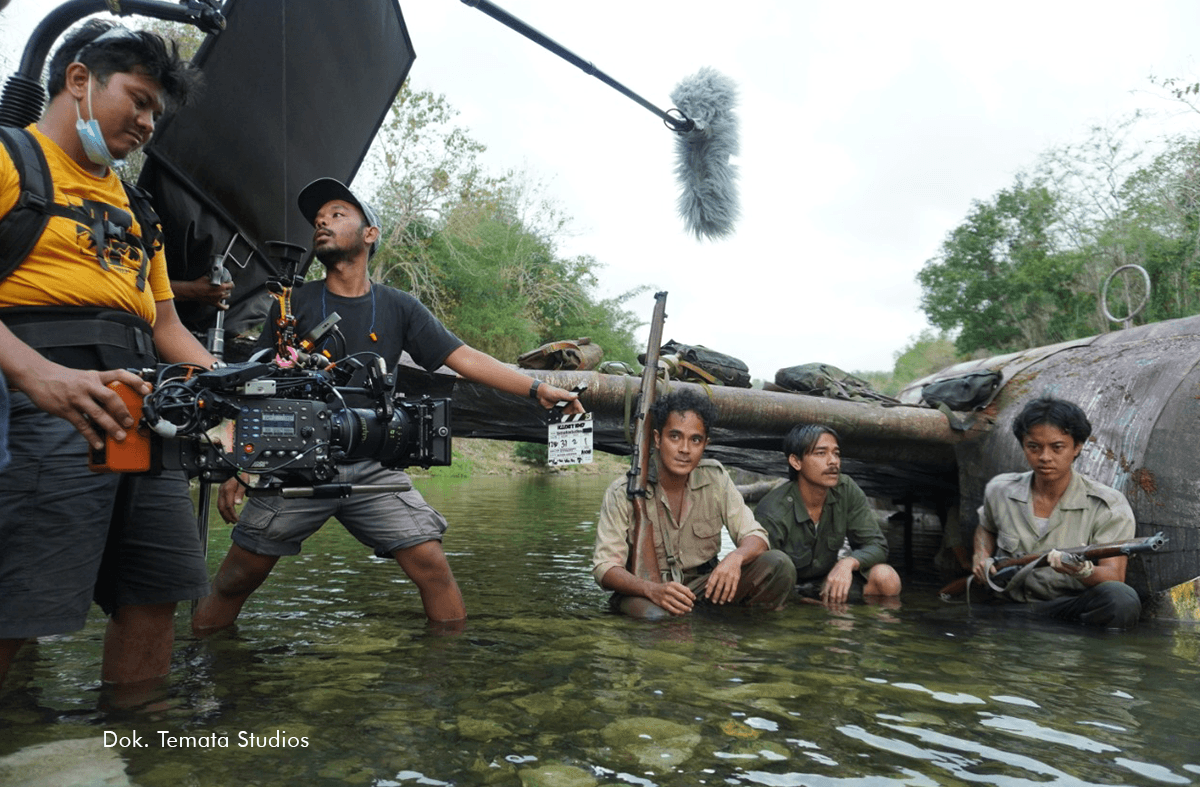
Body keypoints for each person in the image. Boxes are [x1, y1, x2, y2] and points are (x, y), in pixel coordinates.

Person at [192, 177, 583, 634]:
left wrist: (537, 389)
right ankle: (200, 669)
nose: (323, 222)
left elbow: (466, 358)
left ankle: (446, 678)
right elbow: (260, 381)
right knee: (238, 578)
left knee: (432, 566)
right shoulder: (292, 301)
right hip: (293, 462)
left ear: (370, 233)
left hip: (373, 463)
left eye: (337, 215)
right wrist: (243, 463)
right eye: (319, 219)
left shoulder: (401, 307)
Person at [0, 21, 216, 690]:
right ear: (78, 81)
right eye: (140, 98)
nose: (149, 122)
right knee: (18, 602)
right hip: (39, 403)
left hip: (137, 412)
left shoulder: (136, 205)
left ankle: (141, 742)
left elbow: (169, 327)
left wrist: (242, 395)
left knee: (155, 590)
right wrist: (38, 375)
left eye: (158, 109)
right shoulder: (11, 160)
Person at [592, 388, 796, 619]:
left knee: (778, 565)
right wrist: (652, 589)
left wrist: (735, 558)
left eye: (695, 440)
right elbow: (605, 568)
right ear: (658, 439)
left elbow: (756, 536)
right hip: (645, 592)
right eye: (675, 437)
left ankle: (741, 636)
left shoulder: (716, 478)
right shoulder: (622, 492)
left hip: (704, 585)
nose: (685, 449)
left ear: (705, 444)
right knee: (656, 617)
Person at [971, 396, 1141, 628]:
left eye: (1057, 447)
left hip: (1068, 609)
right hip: (1008, 604)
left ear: (1077, 447)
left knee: (1121, 599)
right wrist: (981, 557)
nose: (1044, 457)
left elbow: (1114, 576)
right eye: (1034, 447)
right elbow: (986, 527)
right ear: (1023, 445)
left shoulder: (1109, 505)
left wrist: (1081, 570)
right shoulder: (999, 490)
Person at [754, 424, 902, 608]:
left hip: (828, 582)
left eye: (837, 454)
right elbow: (761, 575)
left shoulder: (846, 489)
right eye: (821, 453)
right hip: (785, 592)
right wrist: (797, 601)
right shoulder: (773, 509)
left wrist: (848, 563)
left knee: (886, 578)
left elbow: (877, 545)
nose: (833, 462)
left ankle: (875, 632)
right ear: (796, 462)